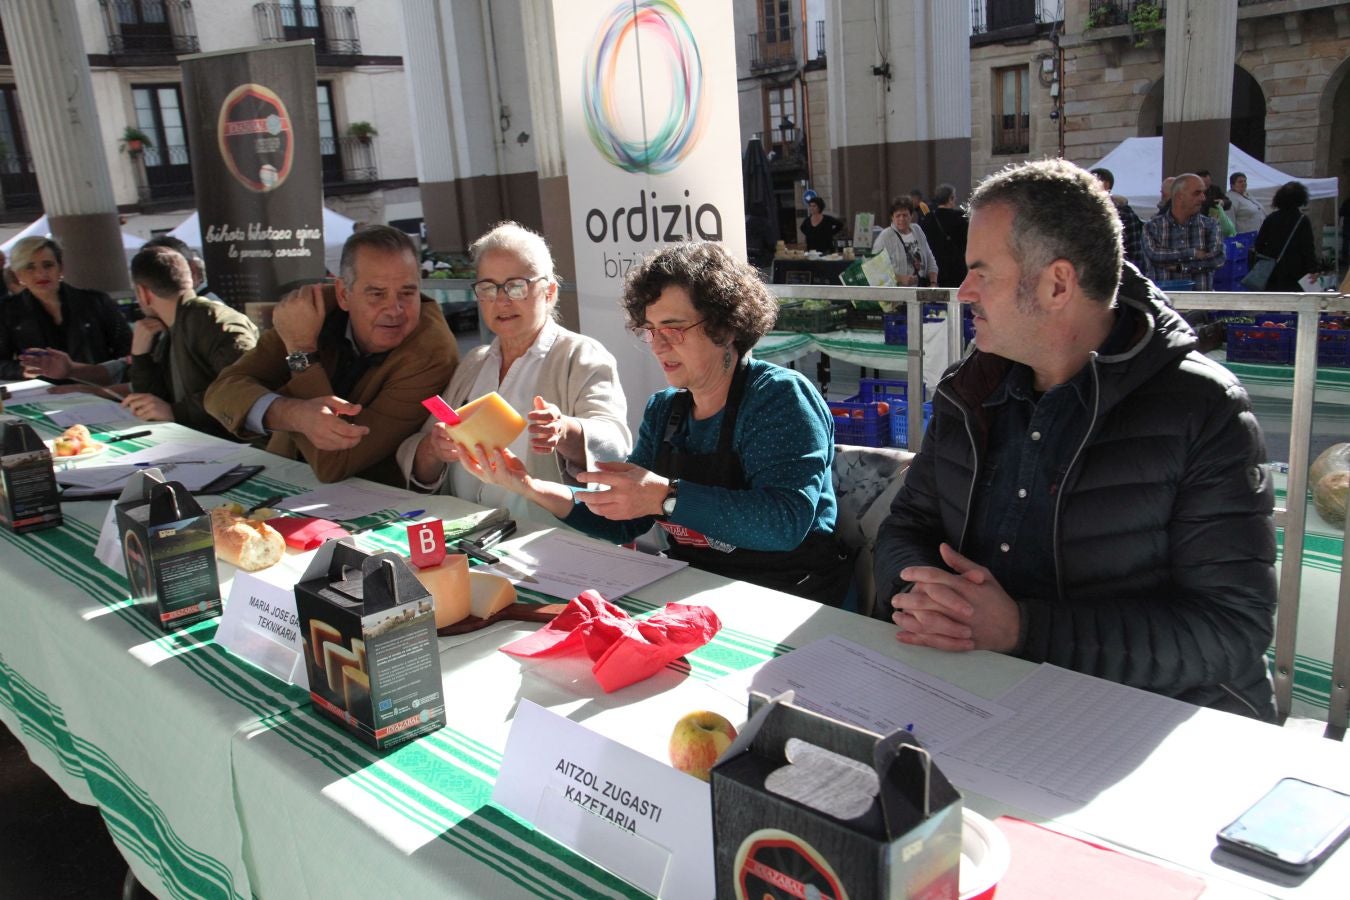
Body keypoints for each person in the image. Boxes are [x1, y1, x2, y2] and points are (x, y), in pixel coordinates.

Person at [873, 158, 1277, 720]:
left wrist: (1021, 629)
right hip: (980, 697)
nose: (963, 292)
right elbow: (905, 528)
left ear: (1057, 283)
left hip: (1146, 729)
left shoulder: (1203, 409)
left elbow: (1231, 630)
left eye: (981, 273)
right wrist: (927, 598)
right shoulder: (970, 390)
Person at [454, 241, 852, 605]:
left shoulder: (779, 397)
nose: (659, 346)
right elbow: (625, 519)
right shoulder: (665, 410)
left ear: (726, 325)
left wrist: (665, 495)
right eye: (651, 331)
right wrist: (527, 485)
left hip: (789, 597)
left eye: (675, 329)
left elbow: (784, 522)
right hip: (694, 592)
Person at [396, 222, 631, 523]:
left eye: (517, 286)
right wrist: (434, 449)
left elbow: (616, 445)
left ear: (549, 292)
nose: (502, 300)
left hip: (543, 542)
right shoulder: (475, 362)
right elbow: (419, 458)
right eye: (488, 288)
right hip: (464, 533)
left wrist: (565, 430)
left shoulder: (581, 355)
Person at [205, 225, 458, 486]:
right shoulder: (307, 312)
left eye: (407, 293)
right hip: (283, 474)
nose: (394, 310)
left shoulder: (430, 352)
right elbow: (220, 392)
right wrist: (293, 414)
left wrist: (301, 350)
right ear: (343, 294)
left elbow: (336, 463)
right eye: (377, 294)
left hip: (366, 497)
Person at [115, 246, 258, 436]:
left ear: (143, 293)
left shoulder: (214, 321)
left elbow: (244, 388)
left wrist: (176, 412)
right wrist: (141, 356)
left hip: (239, 448)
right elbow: (151, 404)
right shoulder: (163, 329)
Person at [0, 236, 131, 382]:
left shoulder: (96, 302)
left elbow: (127, 351)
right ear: (18, 275)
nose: (41, 274)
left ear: (61, 268)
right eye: (30, 267)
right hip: (45, 394)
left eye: (48, 265)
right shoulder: (6, 311)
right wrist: (21, 370)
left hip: (98, 389)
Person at [1144, 173, 1223, 290]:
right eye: (1197, 193)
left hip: (1199, 303)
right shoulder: (1153, 226)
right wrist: (1193, 253)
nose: (1203, 198)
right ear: (1180, 196)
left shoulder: (1210, 225)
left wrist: (1180, 268)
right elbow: (1155, 256)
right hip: (1163, 303)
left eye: (1203, 193)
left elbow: (1217, 259)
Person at [1253, 181, 1319, 293]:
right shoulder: (1302, 220)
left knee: (1273, 303)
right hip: (1296, 270)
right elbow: (1307, 247)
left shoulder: (1271, 218)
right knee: (1295, 303)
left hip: (1272, 269)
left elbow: (1259, 245)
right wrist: (1313, 269)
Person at [1090, 167, 1147, 276]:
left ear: (1105, 185)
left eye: (1089, 182)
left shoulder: (1125, 213)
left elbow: (1136, 253)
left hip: (1121, 277)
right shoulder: (1087, 213)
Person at [875, 197, 938, 286]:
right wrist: (900, 279)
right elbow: (875, 270)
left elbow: (929, 257)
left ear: (911, 216)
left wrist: (933, 282)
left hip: (922, 290)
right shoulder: (885, 237)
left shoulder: (917, 230)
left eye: (905, 215)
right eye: (898, 215)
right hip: (898, 294)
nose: (902, 219)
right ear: (892, 217)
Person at [920, 184, 968, 288]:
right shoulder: (960, 218)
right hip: (956, 269)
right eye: (954, 196)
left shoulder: (928, 219)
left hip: (935, 270)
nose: (956, 199)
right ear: (950, 199)